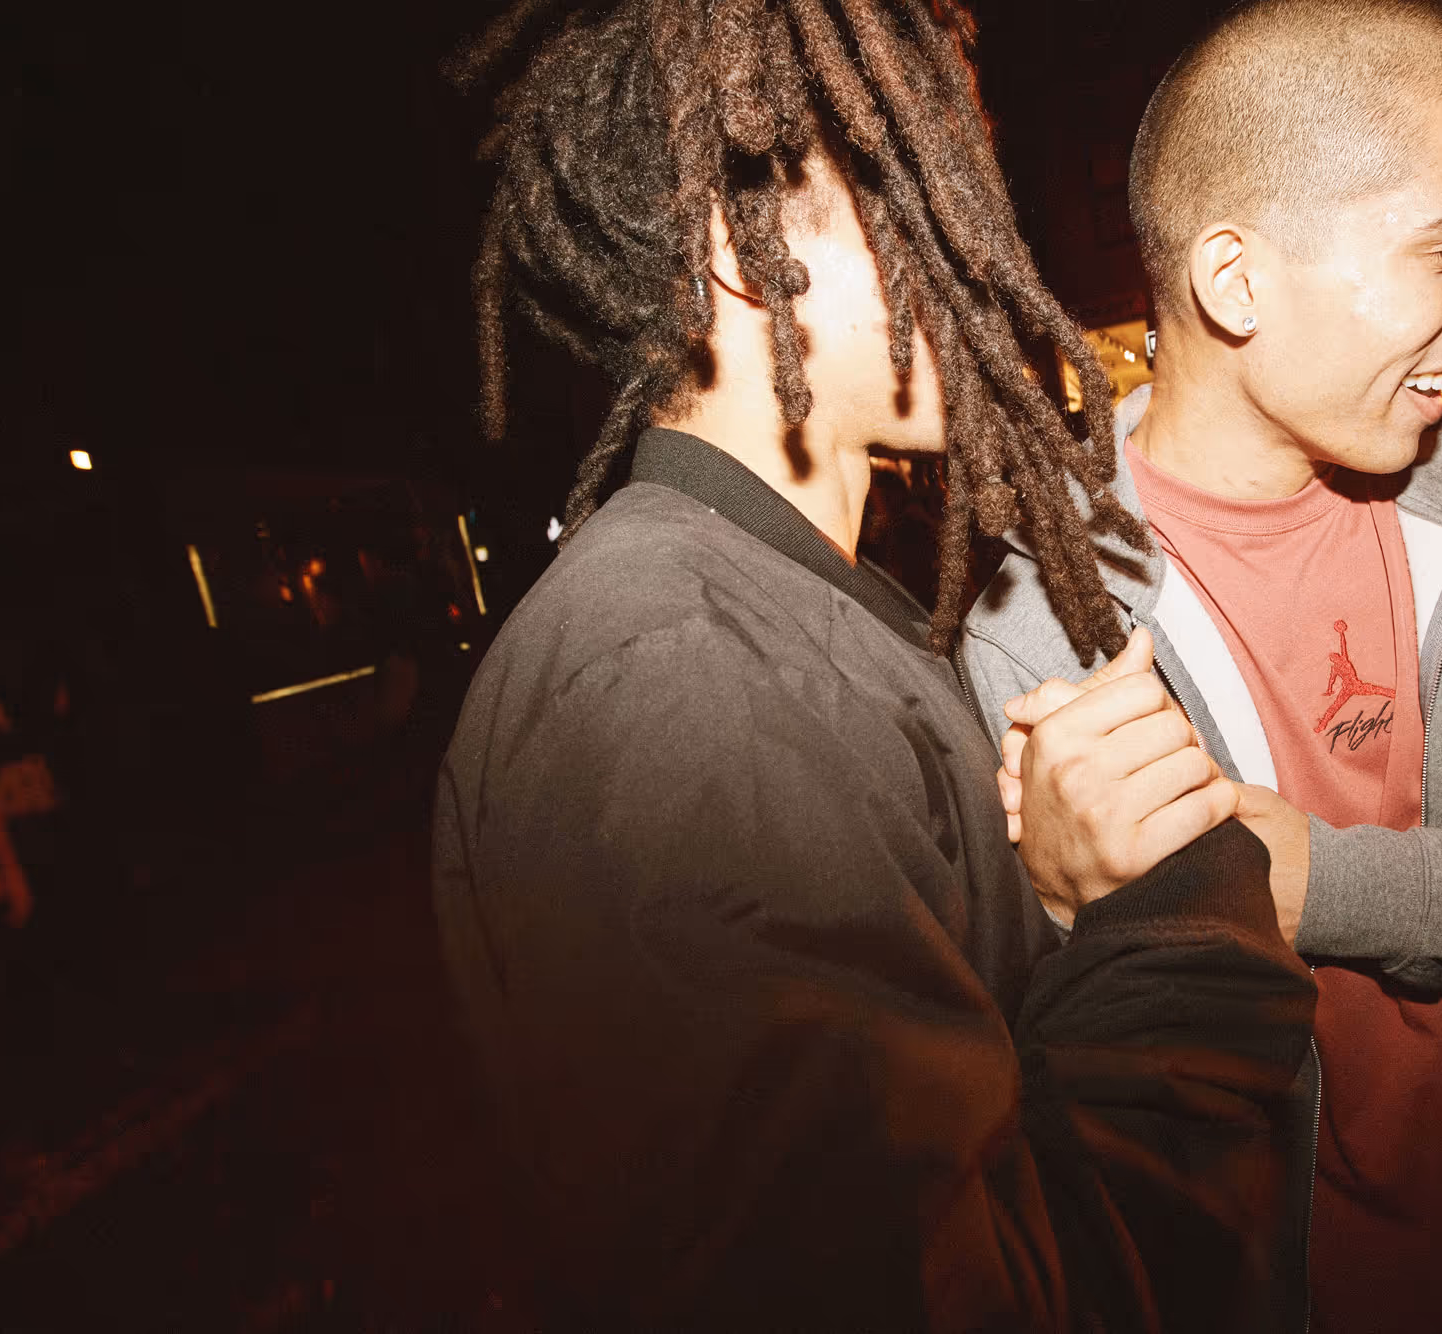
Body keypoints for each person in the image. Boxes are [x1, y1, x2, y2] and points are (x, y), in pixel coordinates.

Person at [432, 1, 1317, 1329]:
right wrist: (1176, 920)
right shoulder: (685, 685)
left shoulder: (776, 612)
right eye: (921, 200)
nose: (986, 255)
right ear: (746, 254)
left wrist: (1053, 897)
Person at [963, 2, 1442, 1329]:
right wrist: (1067, 912)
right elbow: (1038, 1083)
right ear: (1237, 282)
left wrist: (1331, 883)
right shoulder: (1034, 624)